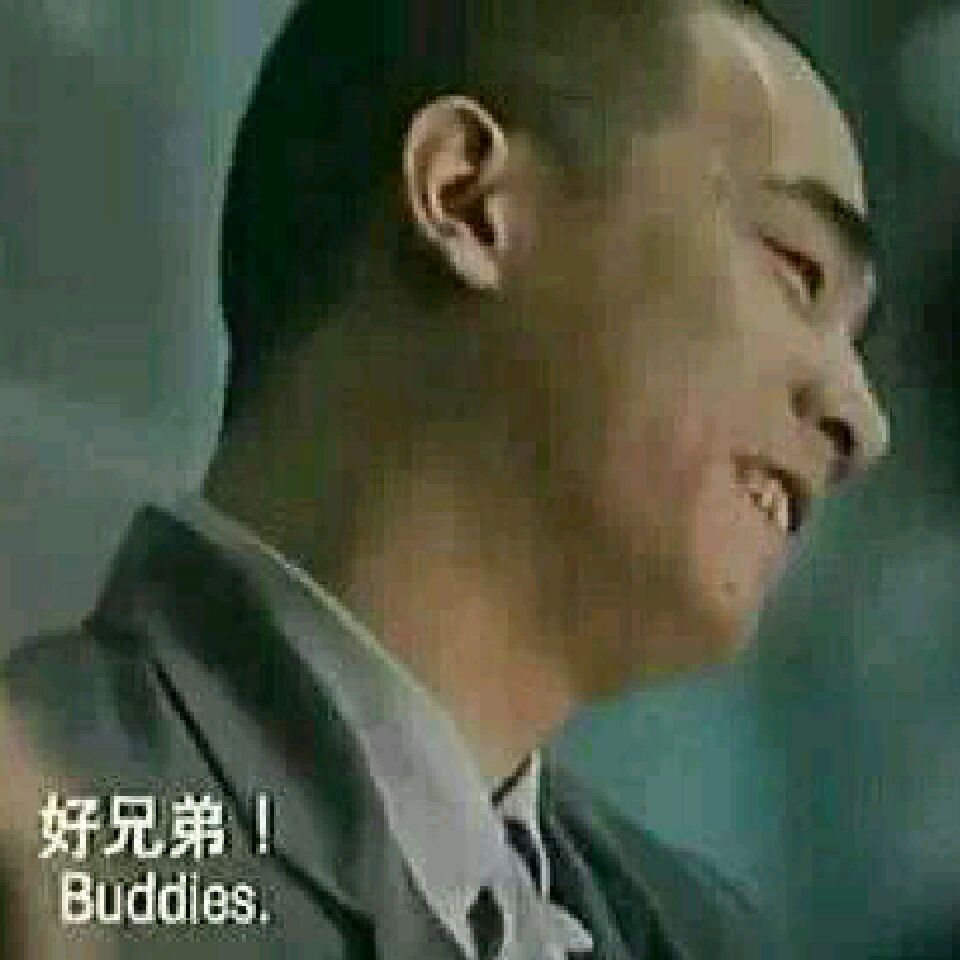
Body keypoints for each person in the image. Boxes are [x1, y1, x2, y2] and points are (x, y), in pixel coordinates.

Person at [3, 0, 889, 955]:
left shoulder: (701, 934)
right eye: (799, 271)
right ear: (469, 201)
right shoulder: (50, 843)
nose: (863, 424)